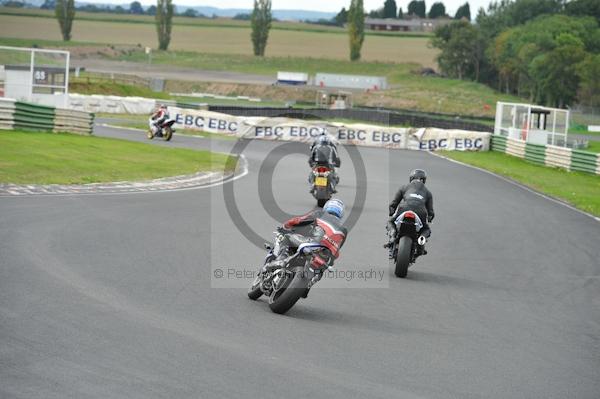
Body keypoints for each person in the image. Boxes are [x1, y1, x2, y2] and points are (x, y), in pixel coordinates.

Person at [278, 198, 348, 266]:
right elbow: (337, 249)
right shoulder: (344, 229)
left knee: (287, 237)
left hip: (313, 244)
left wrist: (286, 226)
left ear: (327, 207)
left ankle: (280, 260)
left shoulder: (319, 213)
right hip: (325, 255)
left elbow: (299, 221)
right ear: (341, 213)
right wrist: (331, 260)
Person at [384, 169, 434, 257]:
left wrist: (391, 212)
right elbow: (431, 212)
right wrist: (429, 218)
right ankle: (421, 241)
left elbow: (393, 204)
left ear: (411, 178)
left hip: (404, 208)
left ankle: (392, 235)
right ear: (424, 180)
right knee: (426, 229)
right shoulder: (428, 192)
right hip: (421, 212)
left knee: (390, 222)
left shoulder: (404, 187)